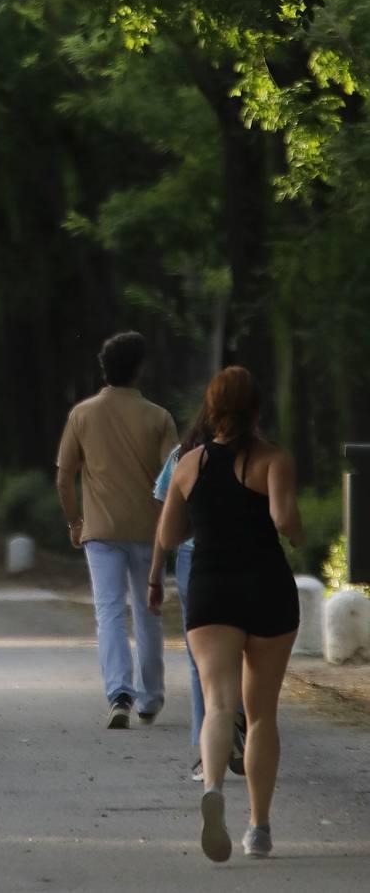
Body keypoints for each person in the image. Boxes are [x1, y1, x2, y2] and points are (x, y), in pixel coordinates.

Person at [154, 366, 304, 862]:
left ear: (211, 408)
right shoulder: (272, 460)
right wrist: (299, 533)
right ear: (256, 408)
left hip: (212, 593)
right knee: (260, 713)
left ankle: (213, 787)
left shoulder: (188, 463)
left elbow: (168, 536)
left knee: (218, 704)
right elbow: (283, 519)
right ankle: (259, 828)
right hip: (267, 589)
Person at [56, 331, 177, 729]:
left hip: (100, 530)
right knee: (148, 611)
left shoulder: (83, 414)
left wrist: (76, 521)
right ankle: (151, 697)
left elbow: (64, 476)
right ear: (140, 369)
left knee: (108, 611)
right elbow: (173, 477)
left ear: (104, 369)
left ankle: (118, 694)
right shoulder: (158, 417)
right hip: (149, 530)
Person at [147, 404, 247, 783]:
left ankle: (207, 749)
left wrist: (155, 574)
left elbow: (164, 524)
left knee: (199, 659)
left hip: (197, 564)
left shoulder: (183, 458)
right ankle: (235, 723)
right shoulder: (256, 456)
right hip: (246, 562)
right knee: (242, 650)